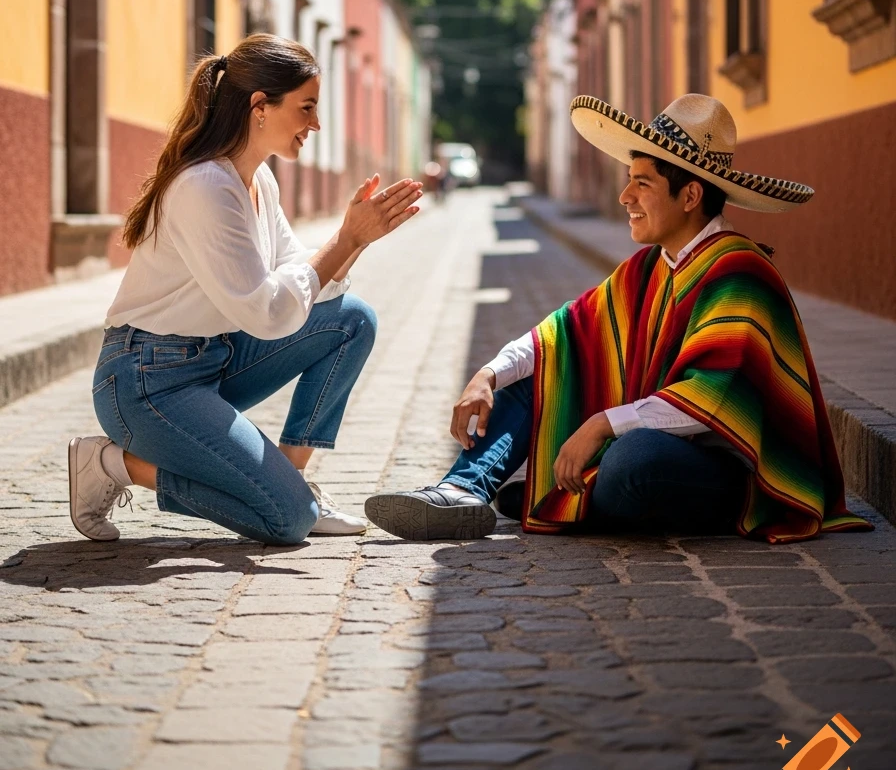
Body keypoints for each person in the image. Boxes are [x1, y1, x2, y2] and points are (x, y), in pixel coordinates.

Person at [366, 93, 872, 546]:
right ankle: (463, 489)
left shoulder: (740, 271)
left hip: (738, 474)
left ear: (691, 196)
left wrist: (601, 424)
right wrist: (488, 375)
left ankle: (577, 493)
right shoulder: (651, 267)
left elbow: (712, 399)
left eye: (641, 184)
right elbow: (564, 333)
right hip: (668, 450)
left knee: (635, 460)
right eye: (629, 182)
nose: (625, 198)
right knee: (545, 365)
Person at [68, 35, 422, 547]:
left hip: (216, 359)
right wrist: (345, 237)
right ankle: (112, 464)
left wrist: (356, 241)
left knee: (353, 319)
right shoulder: (205, 187)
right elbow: (270, 312)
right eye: (306, 108)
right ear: (260, 106)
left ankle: (294, 477)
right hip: (147, 381)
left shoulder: (258, 181)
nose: (315, 124)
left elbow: (297, 276)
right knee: (288, 520)